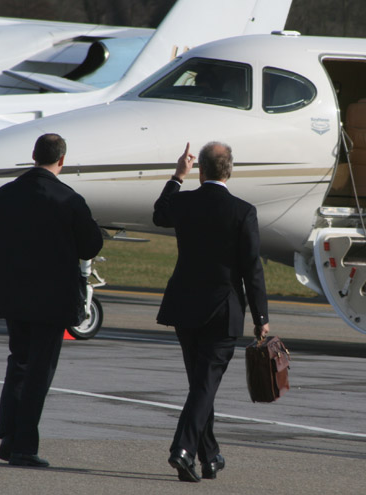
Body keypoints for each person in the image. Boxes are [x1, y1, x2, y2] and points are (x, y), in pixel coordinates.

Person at [0, 133, 103, 468]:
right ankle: (24, 445)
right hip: (53, 300)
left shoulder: (5, 194)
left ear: (33, 155)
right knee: (40, 371)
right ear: (62, 160)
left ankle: (9, 436)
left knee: (20, 362)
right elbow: (90, 246)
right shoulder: (69, 198)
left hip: (13, 296)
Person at [153, 142, 270, 482]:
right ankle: (183, 449)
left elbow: (160, 214)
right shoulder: (242, 211)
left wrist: (178, 176)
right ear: (229, 170)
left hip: (184, 306)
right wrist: (261, 318)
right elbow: (253, 269)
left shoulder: (185, 201)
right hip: (223, 310)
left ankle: (211, 456)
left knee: (200, 387)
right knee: (204, 387)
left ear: (200, 170)